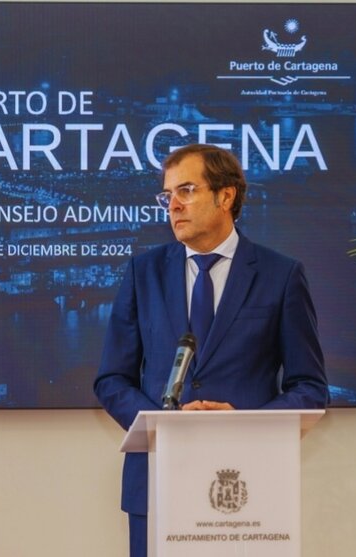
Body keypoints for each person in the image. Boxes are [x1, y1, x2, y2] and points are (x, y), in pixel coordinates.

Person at [93, 144, 328, 557]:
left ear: (226, 196)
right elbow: (112, 379)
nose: (173, 205)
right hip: (158, 480)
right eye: (167, 195)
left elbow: (309, 386)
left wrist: (246, 424)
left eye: (186, 190)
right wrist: (162, 425)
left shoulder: (282, 275)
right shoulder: (142, 272)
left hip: (249, 488)